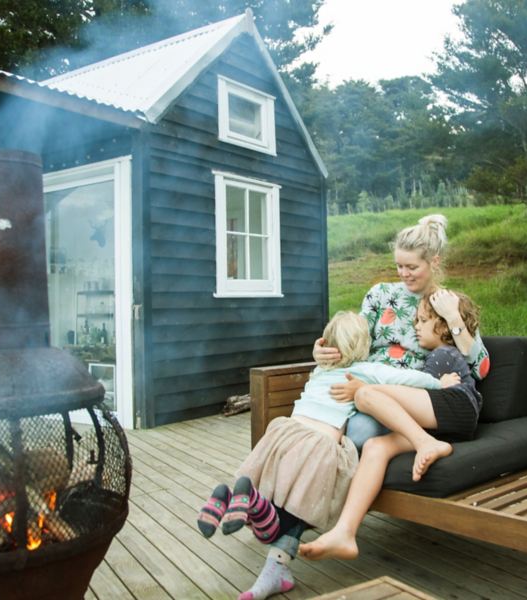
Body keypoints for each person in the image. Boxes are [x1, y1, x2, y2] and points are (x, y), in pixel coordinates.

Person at [196, 311, 460, 600]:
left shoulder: (320, 371)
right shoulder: (364, 369)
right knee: (303, 501)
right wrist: (441, 383)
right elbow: (405, 378)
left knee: (271, 486)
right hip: (319, 443)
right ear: (363, 346)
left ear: (328, 344)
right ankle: (259, 511)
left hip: (285, 433)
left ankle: (235, 498)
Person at [299, 290, 483, 561]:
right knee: (375, 448)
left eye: (421, 321)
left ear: (443, 325)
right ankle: (345, 533)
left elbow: (423, 392)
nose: (415, 327)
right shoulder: (429, 353)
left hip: (458, 407)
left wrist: (366, 385)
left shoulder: (444, 355)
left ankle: (425, 444)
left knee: (364, 395)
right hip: (440, 425)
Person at [314, 214, 490, 450]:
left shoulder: (448, 302)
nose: (404, 274)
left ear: (434, 262)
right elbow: (353, 340)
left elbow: (481, 367)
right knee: (313, 425)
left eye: (412, 267)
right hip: (362, 379)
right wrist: (324, 350)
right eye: (399, 266)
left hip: (404, 396)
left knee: (359, 432)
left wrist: (453, 317)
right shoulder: (380, 294)